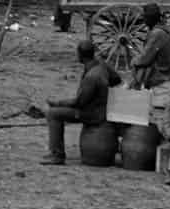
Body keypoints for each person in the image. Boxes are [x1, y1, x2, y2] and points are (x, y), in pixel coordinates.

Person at [36, 38, 120, 166]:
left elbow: (78, 103)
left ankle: (57, 155)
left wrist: (57, 103)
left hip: (93, 115)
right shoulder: (102, 65)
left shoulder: (92, 76)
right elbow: (117, 79)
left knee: (53, 114)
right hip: (101, 109)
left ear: (80, 55)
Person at [132, 4, 170, 89]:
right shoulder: (161, 29)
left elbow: (144, 59)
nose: (144, 21)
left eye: (145, 18)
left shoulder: (157, 33)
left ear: (149, 19)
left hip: (160, 72)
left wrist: (134, 61)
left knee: (137, 65)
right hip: (165, 67)